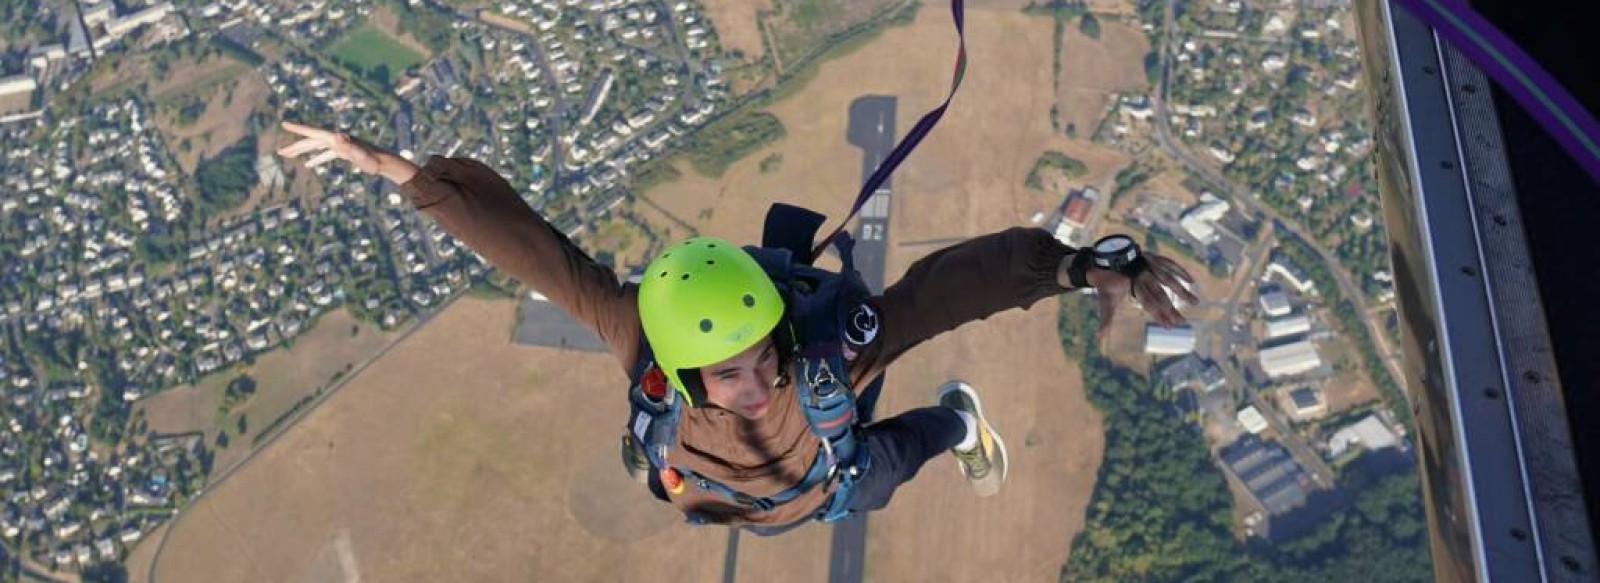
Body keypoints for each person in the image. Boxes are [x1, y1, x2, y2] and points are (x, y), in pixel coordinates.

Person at [276, 121, 1199, 534]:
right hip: (742, 501)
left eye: (761, 359)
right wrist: (391, 168)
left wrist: (1079, 264)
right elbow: (528, 253)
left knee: (889, 469)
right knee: (709, 493)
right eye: (726, 374)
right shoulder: (648, 346)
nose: (757, 384)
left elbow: (945, 289)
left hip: (832, 478)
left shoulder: (825, 348)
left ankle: (961, 420)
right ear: (681, 372)